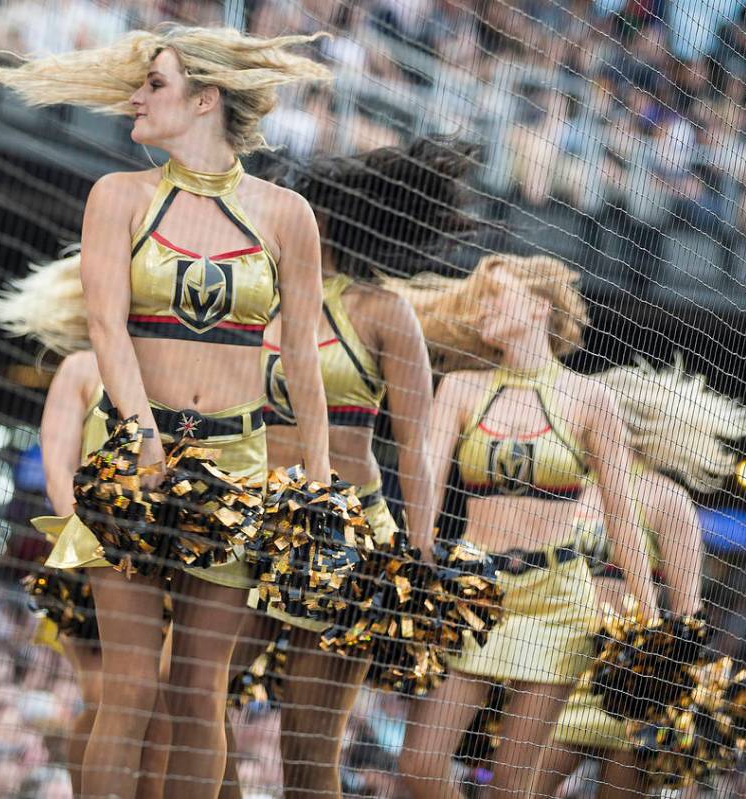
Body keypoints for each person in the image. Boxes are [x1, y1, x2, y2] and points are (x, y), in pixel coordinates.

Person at [0, 24, 334, 798]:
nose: (136, 97)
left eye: (156, 84)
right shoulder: (117, 195)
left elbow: (299, 358)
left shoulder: (286, 214)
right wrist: (141, 437)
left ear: (206, 99)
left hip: (238, 464)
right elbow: (105, 325)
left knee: (200, 690)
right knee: (130, 686)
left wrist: (322, 483)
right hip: (131, 453)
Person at [221, 137, 476, 799]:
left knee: (305, 749)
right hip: (250, 520)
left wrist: (420, 554)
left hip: (345, 535)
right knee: (194, 689)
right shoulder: (250, 300)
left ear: (322, 220)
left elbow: (416, 448)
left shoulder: (380, 310)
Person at [389, 254, 659, 799]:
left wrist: (649, 613)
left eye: (497, 294)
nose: (483, 307)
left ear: (540, 306)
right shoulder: (462, 388)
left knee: (513, 786)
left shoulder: (592, 398)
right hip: (475, 590)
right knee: (419, 763)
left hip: (558, 600)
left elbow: (622, 515)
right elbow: (423, 481)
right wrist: (417, 561)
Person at [533, 356, 746, 798]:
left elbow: (687, 613)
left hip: (632, 681)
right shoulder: (574, 483)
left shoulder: (668, 499)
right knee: (514, 788)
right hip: (561, 667)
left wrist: (671, 687)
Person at [32, 351, 171, 798]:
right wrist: (96, 545)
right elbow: (58, 473)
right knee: (103, 697)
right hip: (90, 554)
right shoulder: (80, 367)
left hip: (166, 562)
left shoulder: (182, 363)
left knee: (160, 706)